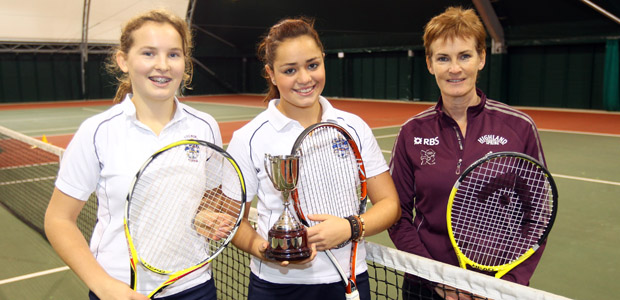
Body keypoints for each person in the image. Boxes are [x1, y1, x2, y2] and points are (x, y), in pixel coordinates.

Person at [44, 9, 222, 300]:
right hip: (118, 289)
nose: (162, 65)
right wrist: (103, 286)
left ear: (185, 63)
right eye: (149, 53)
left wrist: (205, 216)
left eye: (174, 55)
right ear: (123, 61)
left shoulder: (205, 127)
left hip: (195, 286)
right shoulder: (96, 132)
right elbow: (58, 220)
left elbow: (210, 197)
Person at [227, 17, 401, 300]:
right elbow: (235, 223)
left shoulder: (354, 127)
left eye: (312, 65)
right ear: (271, 73)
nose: (305, 79)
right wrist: (266, 251)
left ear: (323, 60)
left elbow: (390, 204)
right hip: (275, 287)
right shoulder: (248, 139)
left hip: (349, 280)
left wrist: (349, 227)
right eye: (289, 70)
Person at [388, 6, 549, 300]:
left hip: (497, 286)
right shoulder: (412, 132)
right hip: (425, 287)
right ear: (429, 63)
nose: (454, 68)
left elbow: (537, 216)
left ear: (482, 58)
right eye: (443, 58)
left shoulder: (520, 127)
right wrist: (435, 278)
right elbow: (397, 214)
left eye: (464, 56)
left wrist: (507, 282)